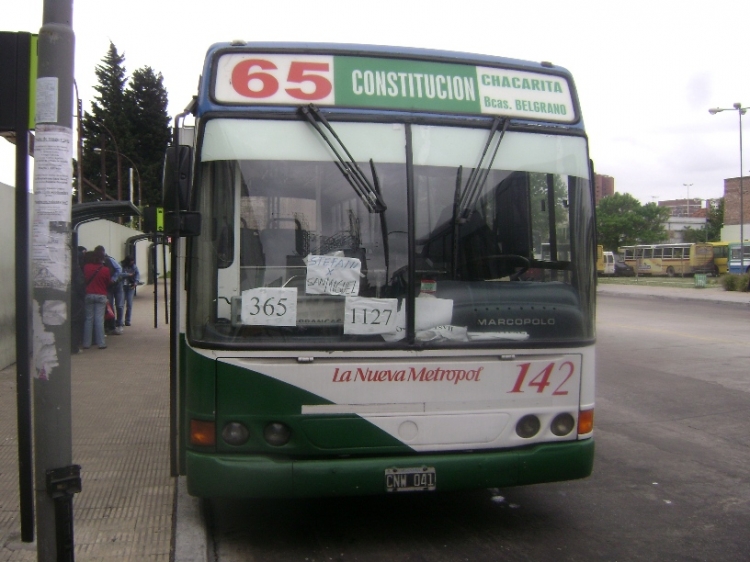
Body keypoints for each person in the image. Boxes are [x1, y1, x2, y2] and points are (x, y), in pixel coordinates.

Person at [82, 247, 111, 349]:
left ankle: (86, 343)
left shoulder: (86, 267)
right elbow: (108, 282)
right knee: (99, 320)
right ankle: (101, 343)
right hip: (101, 295)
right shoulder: (105, 269)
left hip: (89, 294)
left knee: (88, 319)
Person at [95, 245, 124, 335]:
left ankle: (119, 323)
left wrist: (113, 279)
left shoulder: (109, 260)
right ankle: (112, 325)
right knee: (110, 306)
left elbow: (119, 269)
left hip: (116, 285)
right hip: (108, 286)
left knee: (119, 305)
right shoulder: (97, 262)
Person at [120, 255, 140, 326]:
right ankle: (120, 321)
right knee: (121, 305)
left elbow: (137, 274)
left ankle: (127, 320)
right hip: (122, 286)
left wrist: (136, 282)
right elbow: (119, 274)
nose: (132, 263)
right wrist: (128, 274)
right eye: (131, 261)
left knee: (129, 304)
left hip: (130, 286)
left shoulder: (134, 266)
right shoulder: (121, 266)